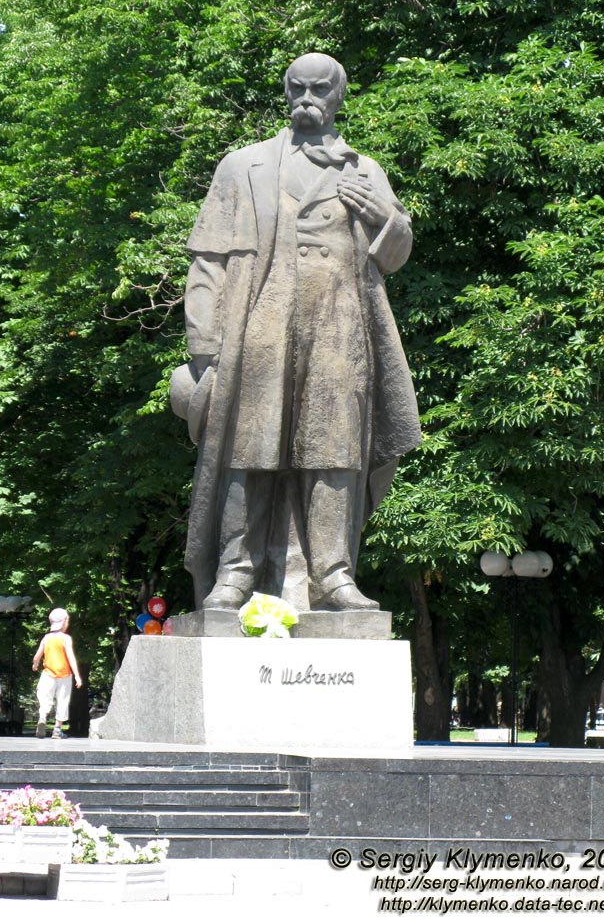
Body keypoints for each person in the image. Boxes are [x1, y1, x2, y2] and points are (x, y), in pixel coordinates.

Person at [173, 52, 421, 613]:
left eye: (320, 89)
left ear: (338, 97)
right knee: (250, 445)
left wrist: (388, 217)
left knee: (334, 450)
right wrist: (205, 347)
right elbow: (207, 262)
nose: (307, 98)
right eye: (297, 88)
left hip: (339, 326)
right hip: (260, 323)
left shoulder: (366, 170)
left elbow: (396, 254)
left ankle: (333, 574)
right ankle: (236, 571)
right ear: (286, 93)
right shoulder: (243, 165)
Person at [32, 607, 82, 739]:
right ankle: (57, 730)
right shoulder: (66, 639)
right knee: (63, 701)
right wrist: (77, 676)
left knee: (45, 698)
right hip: (64, 675)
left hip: (48, 674)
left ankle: (42, 718)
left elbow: (37, 655)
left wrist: (35, 664)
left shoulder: (46, 638)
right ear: (64, 621)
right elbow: (71, 657)